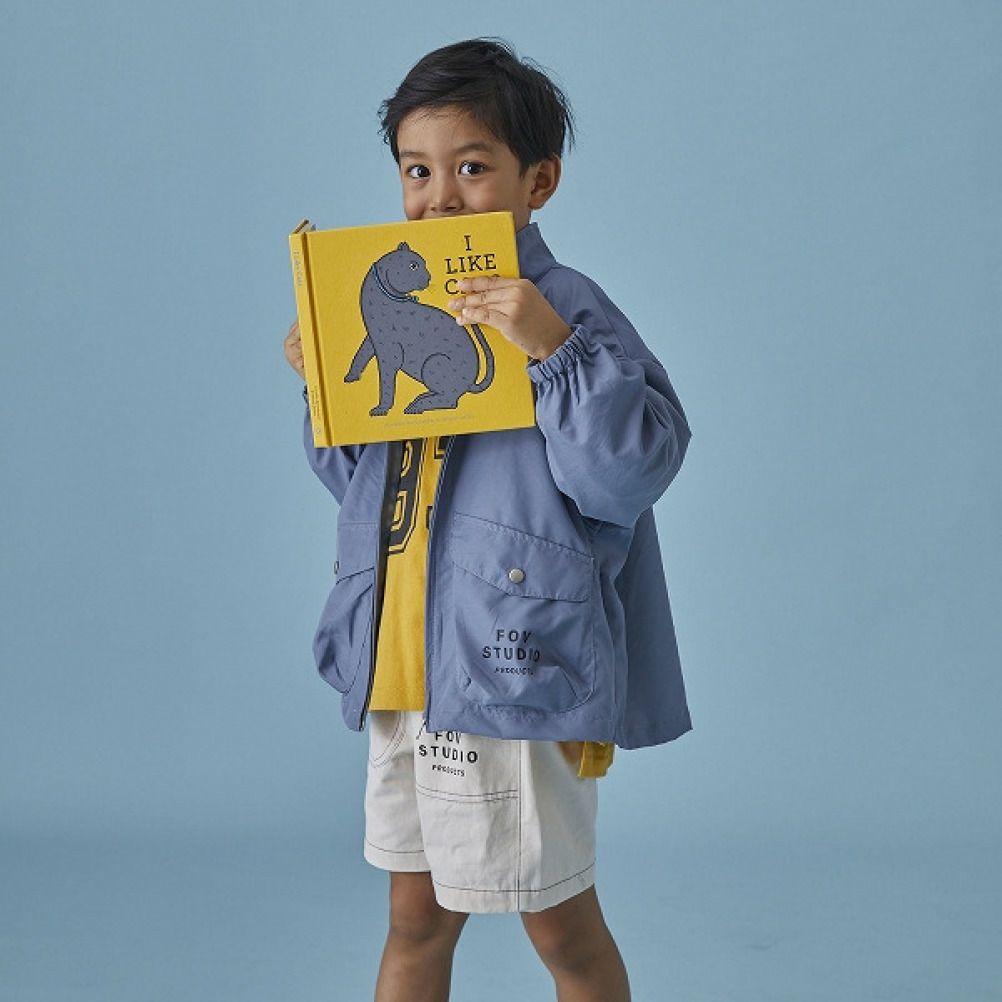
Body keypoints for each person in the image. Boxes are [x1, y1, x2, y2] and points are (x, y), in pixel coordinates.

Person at [283, 37, 693, 1002]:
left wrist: (552, 351)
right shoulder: (392, 296)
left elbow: (629, 473)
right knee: (413, 917)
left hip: (516, 661)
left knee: (561, 925)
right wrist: (324, 396)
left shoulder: (565, 307)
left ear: (536, 181)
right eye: (417, 171)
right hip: (408, 665)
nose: (441, 198)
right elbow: (362, 491)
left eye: (472, 168)